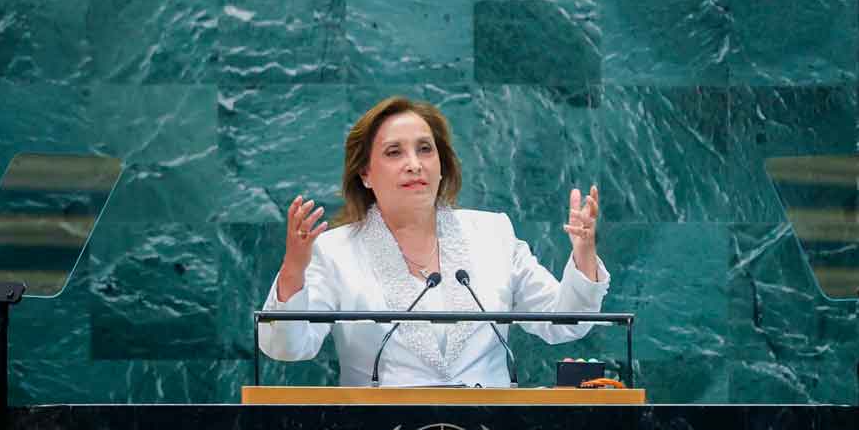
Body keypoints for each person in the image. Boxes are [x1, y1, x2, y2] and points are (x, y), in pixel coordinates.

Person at [258, 96, 611, 387]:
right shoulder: (335, 251)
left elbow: (565, 323)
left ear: (441, 165)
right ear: (365, 173)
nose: (414, 164)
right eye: (394, 152)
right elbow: (286, 347)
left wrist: (584, 255)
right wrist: (294, 270)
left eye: (425, 149)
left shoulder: (493, 234)